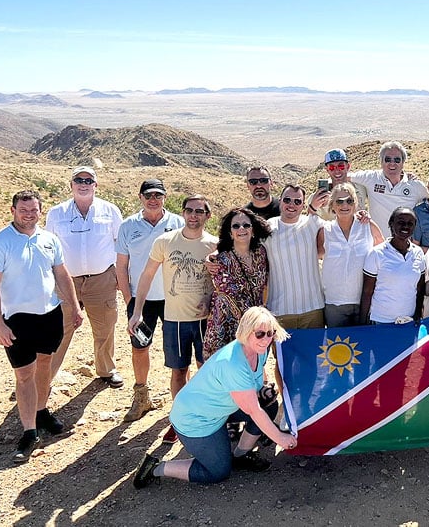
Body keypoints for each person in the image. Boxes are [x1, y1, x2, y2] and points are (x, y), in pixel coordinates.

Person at [133, 307, 297, 488]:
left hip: (220, 410)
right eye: (259, 334)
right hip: (196, 420)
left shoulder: (259, 350)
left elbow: (252, 388)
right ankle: (157, 467)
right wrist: (281, 439)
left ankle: (241, 455)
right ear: (246, 331)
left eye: (270, 333)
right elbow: (253, 411)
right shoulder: (233, 363)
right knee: (218, 471)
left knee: (269, 405)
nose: (266, 339)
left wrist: (262, 391)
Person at [0, 190, 84, 463]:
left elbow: (61, 273)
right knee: (24, 374)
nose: (28, 214)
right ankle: (29, 432)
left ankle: (41, 411)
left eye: (33, 209)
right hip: (17, 319)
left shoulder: (49, 239)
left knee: (45, 364)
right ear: (12, 210)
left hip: (49, 314)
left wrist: (73, 306)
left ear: (40, 211)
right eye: (23, 209)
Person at [128, 195, 218, 444]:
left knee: (205, 369)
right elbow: (146, 276)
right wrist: (137, 311)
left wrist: (213, 301)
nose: (193, 215)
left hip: (204, 320)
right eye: (189, 210)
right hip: (174, 319)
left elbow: (222, 281)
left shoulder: (214, 245)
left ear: (207, 215)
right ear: (183, 213)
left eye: (199, 211)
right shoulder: (165, 241)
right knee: (179, 370)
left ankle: (206, 416)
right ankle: (180, 419)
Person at [46, 166, 123, 387]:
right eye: (78, 180)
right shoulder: (56, 213)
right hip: (66, 281)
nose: (83, 183)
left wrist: (119, 275)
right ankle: (44, 378)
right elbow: (48, 247)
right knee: (59, 330)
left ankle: (106, 370)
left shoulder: (110, 211)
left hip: (101, 279)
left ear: (96, 185)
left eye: (88, 180)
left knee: (105, 327)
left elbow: (120, 244)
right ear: (71, 185)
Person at [115, 179, 184, 422]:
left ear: (165, 197)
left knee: (177, 349)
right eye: (148, 195)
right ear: (140, 197)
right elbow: (121, 266)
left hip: (174, 299)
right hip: (141, 301)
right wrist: (130, 301)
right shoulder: (128, 226)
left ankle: (181, 403)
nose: (153, 199)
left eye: (158, 195)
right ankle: (141, 395)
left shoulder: (178, 223)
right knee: (140, 347)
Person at [203, 207, 271, 360]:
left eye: (246, 225)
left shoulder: (261, 253)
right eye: (236, 226)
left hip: (255, 324)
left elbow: (264, 286)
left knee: (256, 366)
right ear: (230, 232)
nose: (242, 229)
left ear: (253, 230)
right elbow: (226, 293)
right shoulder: (221, 259)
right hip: (226, 324)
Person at [317, 183, 384, 327]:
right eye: (339, 201)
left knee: (364, 346)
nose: (344, 205)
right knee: (337, 346)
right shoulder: (325, 231)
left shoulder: (368, 226)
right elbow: (316, 255)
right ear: (332, 205)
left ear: (355, 204)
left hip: (364, 300)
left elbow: (383, 255)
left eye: (349, 200)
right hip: (335, 303)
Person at [263, 184, 326, 329]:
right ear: (280, 201)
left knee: (314, 352)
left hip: (313, 308)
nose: (292, 205)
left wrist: (364, 218)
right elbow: (243, 244)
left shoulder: (313, 222)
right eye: (287, 200)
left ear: (303, 205)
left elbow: (342, 227)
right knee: (282, 353)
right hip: (280, 310)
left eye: (297, 201)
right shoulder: (267, 228)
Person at [361, 207, 426, 325]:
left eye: (410, 223)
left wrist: (417, 314)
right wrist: (362, 323)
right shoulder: (376, 253)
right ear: (391, 224)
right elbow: (367, 291)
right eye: (400, 222)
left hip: (409, 321)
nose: (405, 226)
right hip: (381, 321)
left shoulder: (418, 252)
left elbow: (420, 288)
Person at [349, 141, 429, 232]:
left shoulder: (416, 186)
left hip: (405, 243)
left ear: (403, 162)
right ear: (381, 162)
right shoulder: (372, 178)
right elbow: (343, 176)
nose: (392, 163)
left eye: (397, 160)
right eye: (387, 159)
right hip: (377, 243)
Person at [306, 148, 369, 219]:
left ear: (347, 167)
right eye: (332, 167)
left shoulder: (361, 188)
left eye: (341, 166)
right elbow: (309, 224)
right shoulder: (317, 198)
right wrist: (313, 207)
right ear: (327, 170)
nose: (337, 171)